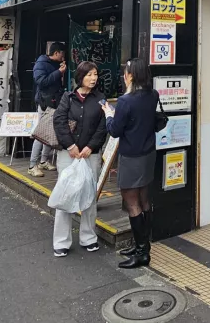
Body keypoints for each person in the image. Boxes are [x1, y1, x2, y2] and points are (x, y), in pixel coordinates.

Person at [101, 58, 159, 269]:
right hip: (148, 153)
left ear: (131, 75)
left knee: (131, 201)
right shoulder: (153, 95)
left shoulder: (126, 101)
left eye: (126, 72)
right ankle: (142, 246)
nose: (124, 75)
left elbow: (115, 130)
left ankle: (142, 252)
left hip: (131, 156)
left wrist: (109, 115)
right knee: (144, 200)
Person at [51, 61, 107, 257]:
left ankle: (88, 237)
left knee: (90, 196)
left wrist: (91, 146)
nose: (93, 78)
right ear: (80, 77)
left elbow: (104, 125)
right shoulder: (68, 97)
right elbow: (59, 121)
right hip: (69, 154)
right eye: (89, 74)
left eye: (95, 74)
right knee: (65, 194)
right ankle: (61, 241)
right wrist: (71, 145)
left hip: (90, 155)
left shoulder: (100, 99)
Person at [29, 42, 67, 178]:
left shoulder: (55, 64)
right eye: (62, 53)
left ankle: (44, 160)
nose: (64, 56)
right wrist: (59, 72)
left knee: (50, 132)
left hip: (55, 102)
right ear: (56, 53)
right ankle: (32, 165)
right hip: (45, 103)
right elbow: (41, 82)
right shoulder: (41, 63)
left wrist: (60, 71)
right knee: (41, 134)